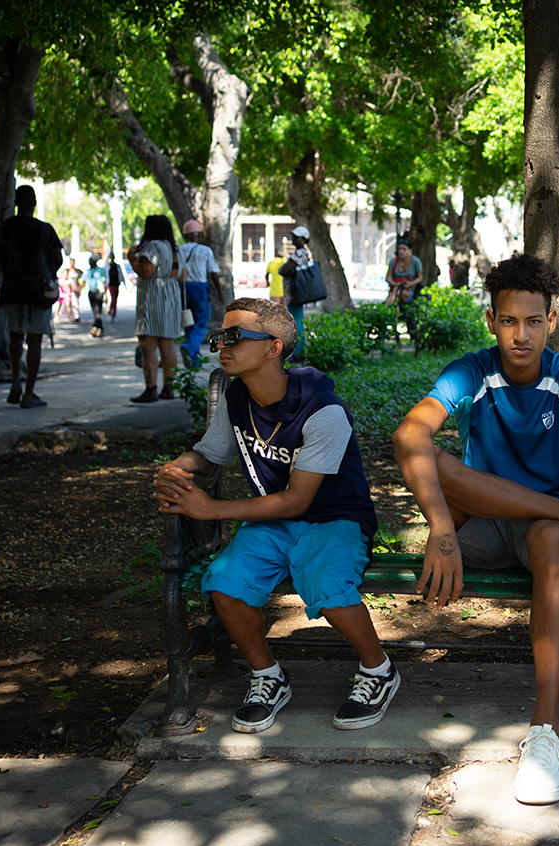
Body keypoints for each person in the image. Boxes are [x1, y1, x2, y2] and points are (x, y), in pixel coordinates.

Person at [391, 253, 559, 805]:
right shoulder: (470, 371)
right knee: (434, 458)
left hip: (546, 528)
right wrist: (441, 532)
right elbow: (407, 437)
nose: (520, 335)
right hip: (483, 527)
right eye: (508, 321)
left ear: (551, 322)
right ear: (491, 320)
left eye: (533, 321)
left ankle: (545, 733)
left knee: (556, 542)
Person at [151, 298, 398, 734]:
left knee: (325, 583)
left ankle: (379, 671)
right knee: (225, 582)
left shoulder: (323, 411)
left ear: (274, 348)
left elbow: (298, 501)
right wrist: (180, 467)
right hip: (274, 520)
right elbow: (212, 454)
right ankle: (268, 676)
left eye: (234, 337)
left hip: (335, 519)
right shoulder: (237, 395)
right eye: (218, 337)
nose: (220, 346)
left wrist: (211, 509)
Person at [0, 186, 64, 408]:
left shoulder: (3, 229)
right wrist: (45, 274)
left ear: (15, 203)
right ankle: (29, 394)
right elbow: (57, 259)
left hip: (11, 291)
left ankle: (15, 381)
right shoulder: (44, 230)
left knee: (15, 339)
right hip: (39, 293)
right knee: (35, 341)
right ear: (34, 203)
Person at [127, 214, 183, 404]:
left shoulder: (153, 247)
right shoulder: (176, 250)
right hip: (171, 297)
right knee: (167, 345)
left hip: (152, 298)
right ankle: (169, 388)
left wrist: (131, 258)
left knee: (147, 344)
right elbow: (181, 276)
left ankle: (150, 389)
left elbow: (145, 270)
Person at [178, 218, 224, 366]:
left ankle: (194, 360)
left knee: (189, 322)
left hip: (183, 289)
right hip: (199, 289)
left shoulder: (179, 250)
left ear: (185, 235)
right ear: (199, 235)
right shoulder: (205, 250)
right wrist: (220, 292)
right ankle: (189, 347)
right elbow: (214, 273)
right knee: (201, 322)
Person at [276, 226, 314, 357]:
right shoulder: (305, 253)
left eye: (297, 237)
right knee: (299, 321)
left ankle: (297, 352)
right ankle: (301, 350)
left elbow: (283, 270)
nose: (294, 239)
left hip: (295, 292)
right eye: (293, 236)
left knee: (294, 322)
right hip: (300, 292)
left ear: (304, 239)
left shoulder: (299, 253)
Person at [384, 238, 423, 305]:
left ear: (410, 250)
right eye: (400, 249)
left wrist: (410, 284)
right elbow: (387, 278)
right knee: (396, 291)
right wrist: (396, 284)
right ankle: (392, 310)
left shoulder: (416, 261)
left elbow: (420, 277)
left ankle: (386, 308)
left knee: (397, 291)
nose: (401, 251)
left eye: (404, 249)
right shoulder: (393, 261)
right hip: (393, 289)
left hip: (408, 291)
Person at [82, 254, 108, 337]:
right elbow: (83, 281)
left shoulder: (101, 270)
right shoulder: (87, 271)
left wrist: (106, 295)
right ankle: (100, 328)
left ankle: (95, 327)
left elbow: (104, 283)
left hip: (99, 292)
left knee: (97, 310)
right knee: (95, 311)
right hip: (91, 292)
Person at [266, 240, 287, 307]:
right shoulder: (286, 262)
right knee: (285, 313)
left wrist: (268, 283)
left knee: (274, 313)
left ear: (275, 252)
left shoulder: (271, 263)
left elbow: (266, 275)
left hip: (274, 292)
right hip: (285, 291)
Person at [58, 258, 80, 322]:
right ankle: (70, 316)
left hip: (75, 288)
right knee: (68, 304)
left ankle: (76, 315)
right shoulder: (67, 271)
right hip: (68, 290)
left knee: (75, 303)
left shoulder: (77, 271)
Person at [107, 253, 122, 319]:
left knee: (115, 299)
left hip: (116, 284)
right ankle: (111, 312)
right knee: (113, 299)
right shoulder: (108, 266)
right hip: (111, 284)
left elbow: (120, 274)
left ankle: (113, 313)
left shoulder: (117, 266)